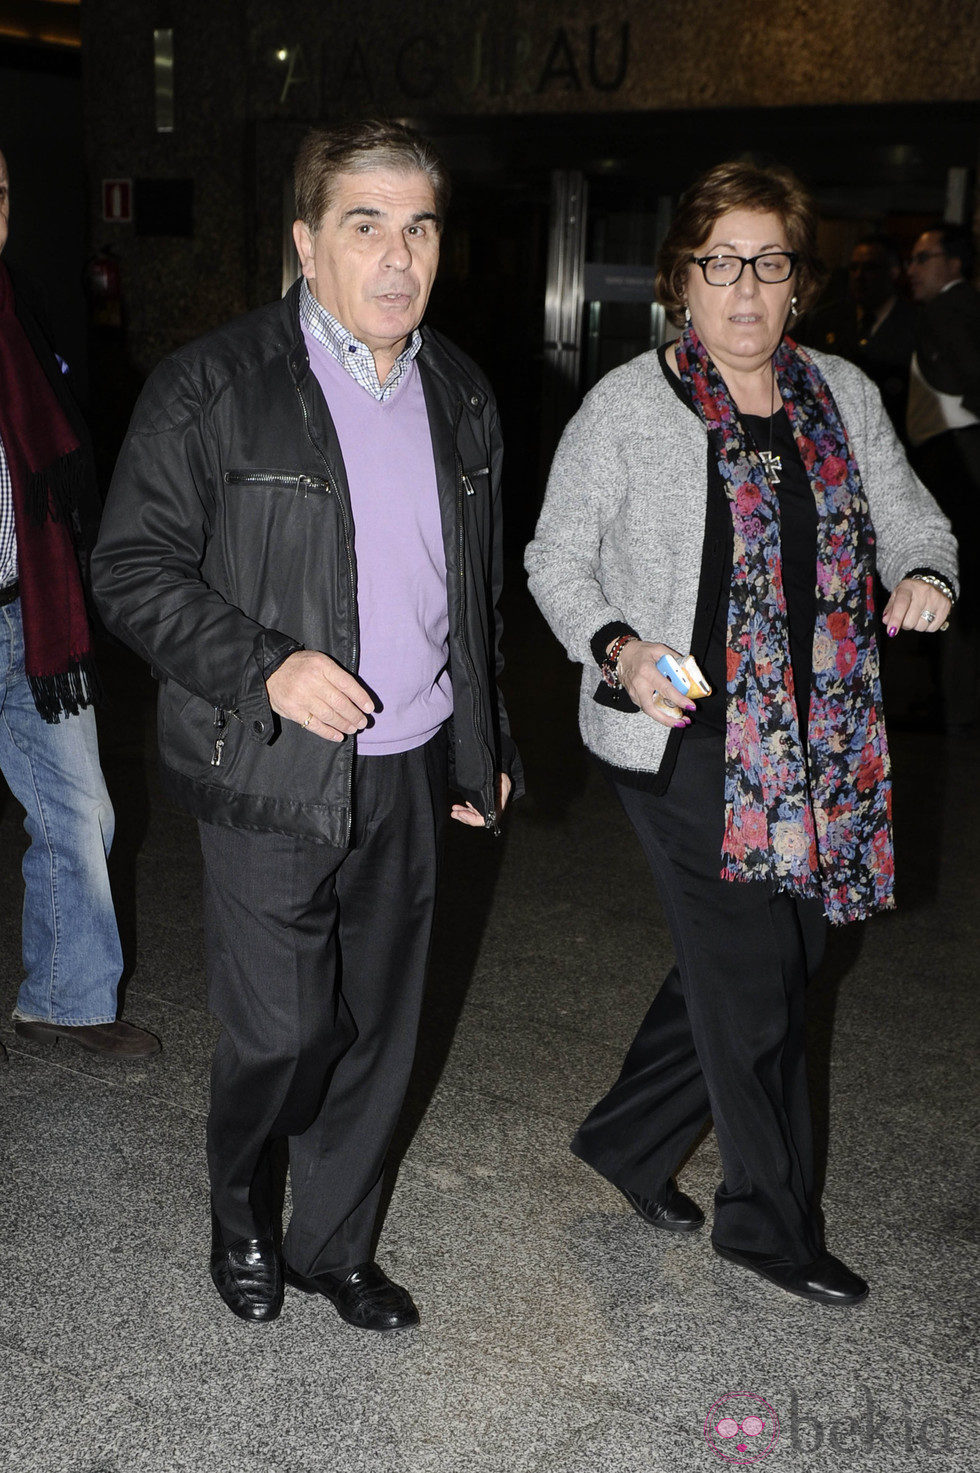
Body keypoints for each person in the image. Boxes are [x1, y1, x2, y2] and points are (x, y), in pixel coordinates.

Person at [93, 120, 519, 1330]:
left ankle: (332, 1245)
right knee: (284, 1033)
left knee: (382, 1030)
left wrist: (480, 749)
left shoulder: (460, 389)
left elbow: (470, 593)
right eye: (364, 225)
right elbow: (130, 569)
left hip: (415, 758)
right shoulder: (211, 385)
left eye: (419, 227)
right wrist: (266, 666)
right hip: (272, 763)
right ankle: (240, 1210)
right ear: (304, 242)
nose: (397, 258)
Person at [526, 161, 958, 1307]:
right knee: (758, 980)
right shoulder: (628, 405)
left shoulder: (839, 396)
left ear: (798, 284)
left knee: (795, 952)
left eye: (768, 264)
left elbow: (908, 512)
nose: (745, 290)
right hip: (682, 734)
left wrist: (919, 571)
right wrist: (617, 648)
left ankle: (626, 1138)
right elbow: (552, 557)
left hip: (814, 737)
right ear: (681, 280)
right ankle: (765, 1223)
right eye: (720, 264)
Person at [0, 146, 158, 1062]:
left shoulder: (14, 308)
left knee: (79, 808)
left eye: (4, 192)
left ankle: (63, 1001)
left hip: (31, 609)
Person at [906, 222, 980, 731]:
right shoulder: (959, 307)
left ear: (954, 262)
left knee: (957, 582)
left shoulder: (950, 309)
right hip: (955, 454)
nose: (912, 270)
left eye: (923, 257)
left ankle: (959, 714)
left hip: (957, 456)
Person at [805, 235, 915, 437]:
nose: (859, 276)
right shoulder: (827, 319)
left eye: (870, 268)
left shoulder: (914, 326)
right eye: (854, 268)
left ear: (893, 272)